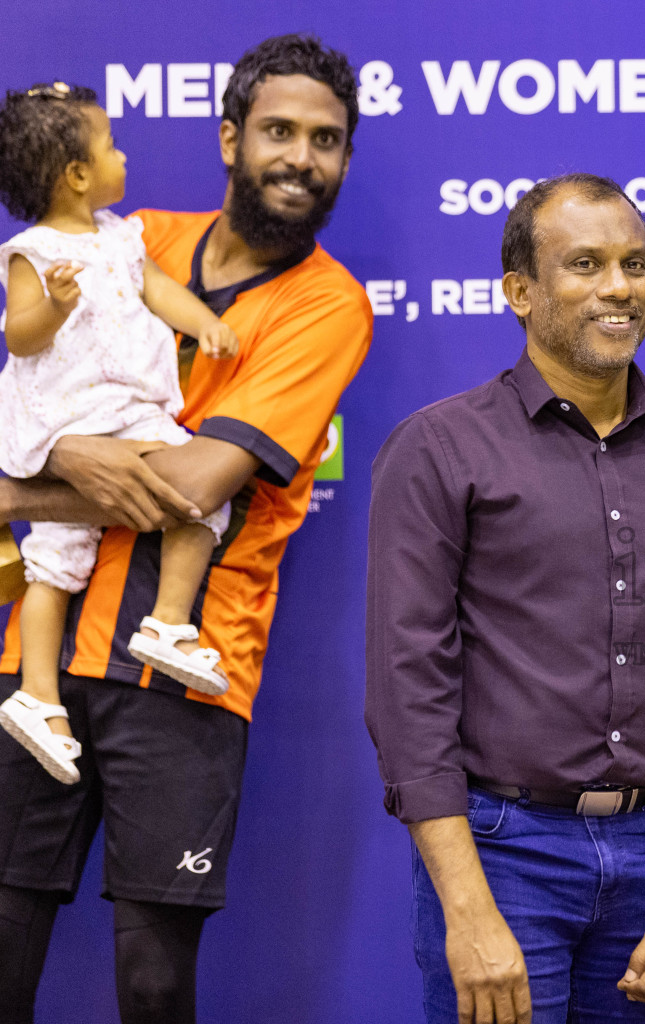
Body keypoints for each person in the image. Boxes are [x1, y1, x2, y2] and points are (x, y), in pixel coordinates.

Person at [0, 35, 370, 1024]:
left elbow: (196, 482)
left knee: (156, 982)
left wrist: (27, 481)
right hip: (36, 657)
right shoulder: (120, 239)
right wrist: (47, 464)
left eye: (327, 140)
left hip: (189, 666)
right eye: (279, 131)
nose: (301, 156)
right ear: (229, 139)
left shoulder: (329, 304)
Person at [366, 172, 645, 1024]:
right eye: (585, 264)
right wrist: (467, 910)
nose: (619, 288)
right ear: (520, 290)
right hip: (501, 854)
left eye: (635, 263)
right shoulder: (439, 449)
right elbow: (409, 691)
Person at [0, 80, 241, 786]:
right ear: (77, 175)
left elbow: (157, 290)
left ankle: (165, 624)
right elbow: (19, 336)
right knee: (56, 564)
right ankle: (38, 691)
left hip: (133, 413)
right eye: (110, 146)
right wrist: (53, 308)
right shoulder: (32, 254)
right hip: (66, 421)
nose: (122, 155)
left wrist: (203, 324)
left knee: (199, 499)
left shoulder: (121, 235)